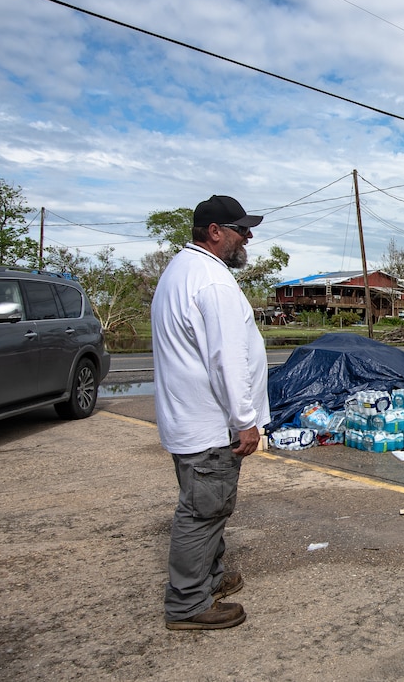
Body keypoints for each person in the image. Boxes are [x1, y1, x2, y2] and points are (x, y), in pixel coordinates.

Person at [152, 194, 269, 631]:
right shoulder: (213, 282)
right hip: (210, 424)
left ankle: (211, 577)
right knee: (202, 512)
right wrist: (245, 419)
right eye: (241, 229)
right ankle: (187, 604)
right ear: (215, 232)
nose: (248, 237)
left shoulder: (181, 270)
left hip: (188, 418)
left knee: (210, 506)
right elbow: (226, 358)